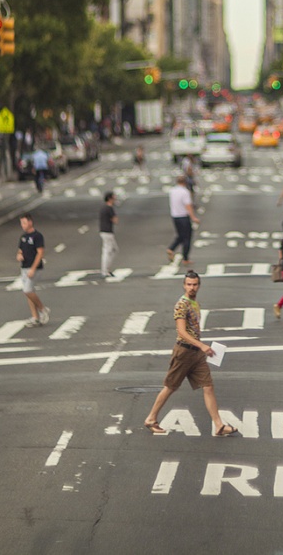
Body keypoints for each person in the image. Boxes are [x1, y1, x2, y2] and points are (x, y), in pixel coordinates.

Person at [142, 271, 238, 437]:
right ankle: (151, 418)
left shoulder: (195, 302)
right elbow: (181, 331)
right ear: (184, 285)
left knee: (208, 386)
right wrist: (202, 345)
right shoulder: (182, 304)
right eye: (189, 284)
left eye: (194, 284)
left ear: (199, 285)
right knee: (170, 386)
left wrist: (200, 348)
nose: (192, 287)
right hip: (184, 352)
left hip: (196, 355)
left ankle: (219, 425)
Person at [17, 213, 51, 326]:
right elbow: (20, 250)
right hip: (24, 267)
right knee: (29, 292)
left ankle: (43, 309)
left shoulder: (37, 236)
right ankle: (35, 317)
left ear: (30, 222)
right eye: (21, 223)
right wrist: (19, 256)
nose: (22, 225)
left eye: (24, 222)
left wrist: (33, 268)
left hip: (34, 268)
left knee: (27, 290)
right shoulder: (23, 237)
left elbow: (40, 253)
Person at [166, 175, 200, 267]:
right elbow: (188, 205)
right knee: (187, 237)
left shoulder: (172, 191)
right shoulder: (185, 192)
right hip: (183, 216)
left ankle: (171, 248)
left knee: (181, 235)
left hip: (175, 216)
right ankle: (185, 258)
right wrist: (193, 217)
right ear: (185, 182)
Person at [98, 191, 119, 277]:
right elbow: (115, 221)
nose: (115, 199)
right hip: (108, 232)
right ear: (110, 198)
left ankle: (106, 269)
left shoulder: (103, 208)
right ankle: (105, 270)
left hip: (104, 231)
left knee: (113, 250)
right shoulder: (109, 208)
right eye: (114, 198)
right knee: (108, 251)